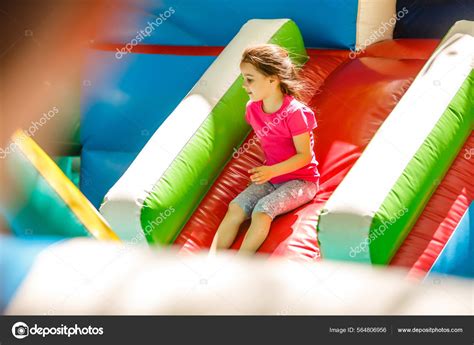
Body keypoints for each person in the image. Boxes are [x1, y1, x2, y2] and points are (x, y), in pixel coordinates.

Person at [210, 44, 320, 255]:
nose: (244, 85)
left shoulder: (295, 113)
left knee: (262, 210)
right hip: (273, 177)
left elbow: (304, 157)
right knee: (236, 207)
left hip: (302, 180)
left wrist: (272, 171)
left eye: (250, 79)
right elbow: (272, 143)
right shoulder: (252, 109)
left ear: (272, 79)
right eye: (244, 78)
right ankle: (212, 261)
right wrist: (268, 171)